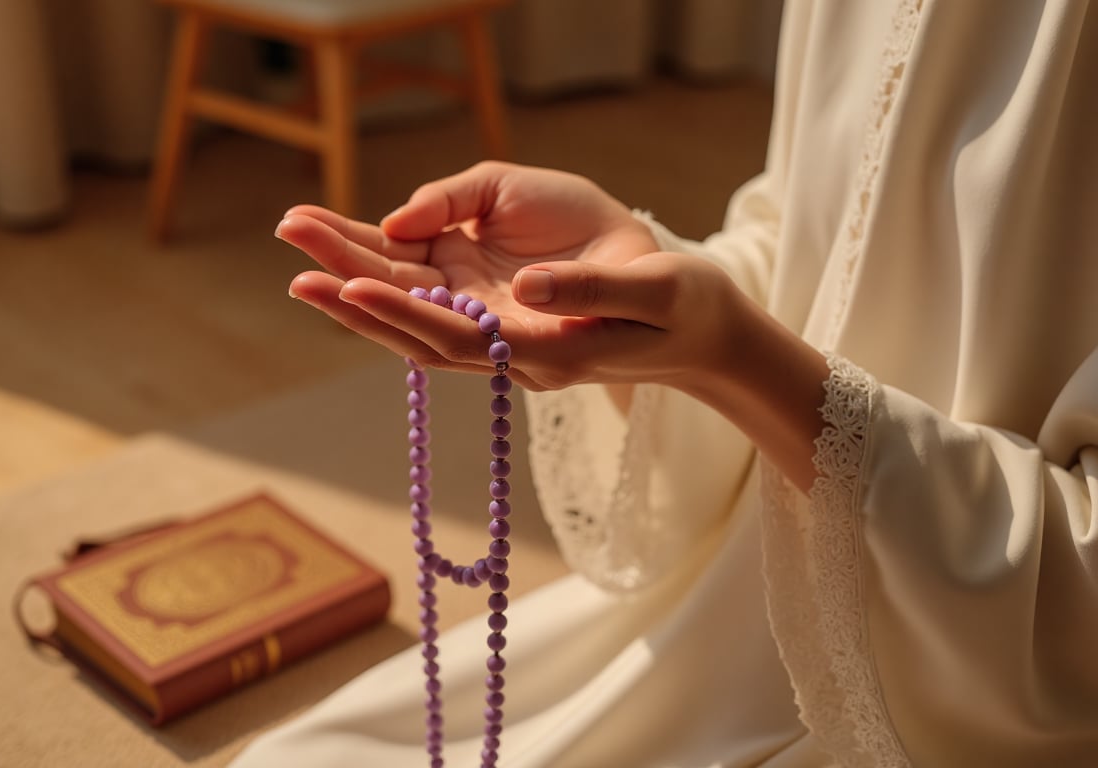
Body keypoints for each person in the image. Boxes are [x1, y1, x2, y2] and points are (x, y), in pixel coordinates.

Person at [231, 1, 1098, 766]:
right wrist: (645, 273)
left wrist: (736, 359)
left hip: (944, 684)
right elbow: (804, 239)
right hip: (728, 605)